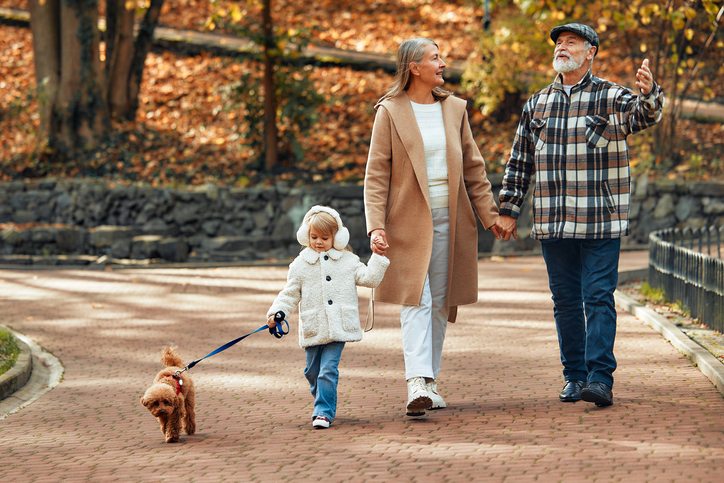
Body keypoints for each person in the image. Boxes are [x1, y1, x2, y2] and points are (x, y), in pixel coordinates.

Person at [495, 23, 665, 407]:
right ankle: (574, 376)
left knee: (599, 296)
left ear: (590, 52)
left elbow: (645, 116)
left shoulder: (611, 96)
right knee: (566, 302)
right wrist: (508, 210)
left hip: (600, 219)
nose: (562, 47)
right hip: (554, 221)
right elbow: (519, 162)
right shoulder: (537, 103)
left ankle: (600, 378)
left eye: (571, 42)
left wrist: (650, 93)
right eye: (559, 42)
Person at [364, 37, 501, 417]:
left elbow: (474, 168)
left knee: (441, 300)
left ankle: (431, 383)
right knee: (417, 298)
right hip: (407, 222)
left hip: (452, 220)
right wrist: (376, 225)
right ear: (414, 67)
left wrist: (490, 216)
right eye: (435, 57)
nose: (443, 63)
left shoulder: (454, 109)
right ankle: (415, 381)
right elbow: (376, 174)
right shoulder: (390, 111)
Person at [267, 205, 389, 429]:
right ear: (306, 235)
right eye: (314, 237)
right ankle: (324, 397)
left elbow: (370, 279)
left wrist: (378, 257)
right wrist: (277, 312)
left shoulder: (348, 261)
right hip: (314, 327)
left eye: (325, 237)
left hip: (338, 327)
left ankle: (322, 411)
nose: (319, 242)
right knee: (312, 372)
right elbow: (290, 293)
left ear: (338, 237)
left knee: (327, 370)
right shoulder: (300, 265)